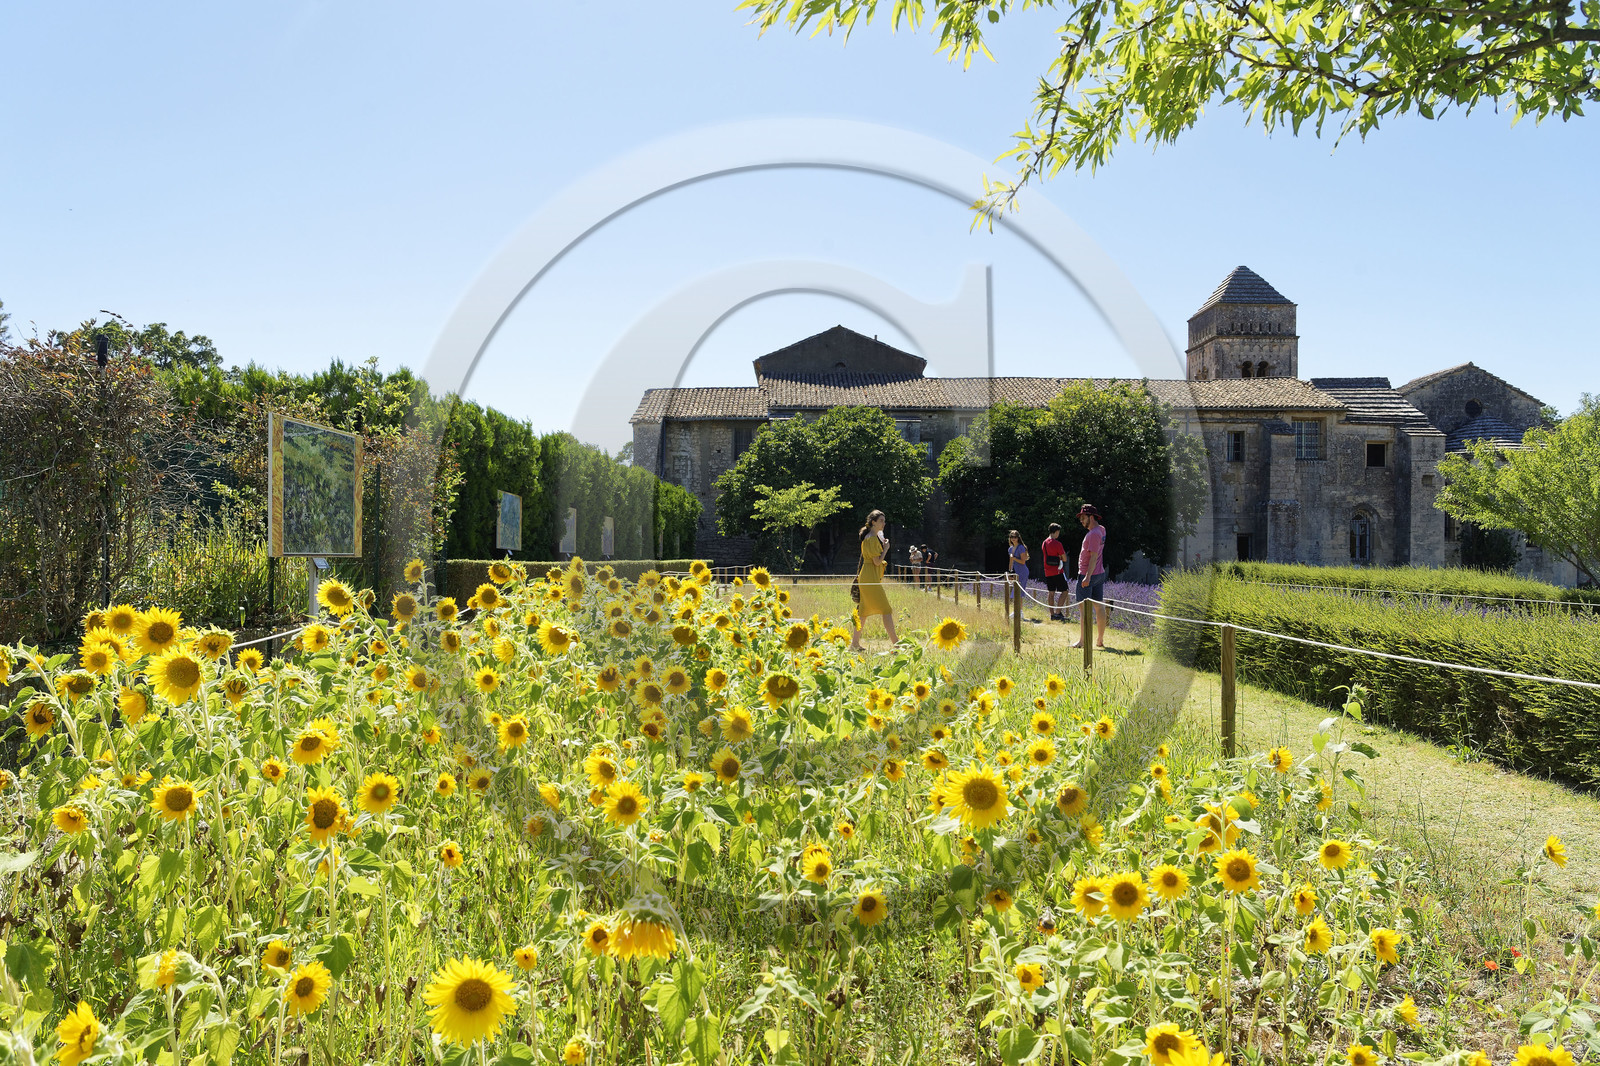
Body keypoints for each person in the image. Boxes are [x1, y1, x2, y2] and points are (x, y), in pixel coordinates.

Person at [850, 510, 898, 651]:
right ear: (873, 522)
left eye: (884, 520)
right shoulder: (871, 539)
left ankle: (854, 644)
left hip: (868, 576)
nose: (884, 523)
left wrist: (883, 545)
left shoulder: (872, 537)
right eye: (881, 520)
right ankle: (897, 644)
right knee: (886, 609)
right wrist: (886, 549)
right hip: (869, 577)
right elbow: (877, 562)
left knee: (863, 612)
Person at [1070, 504, 1108, 649]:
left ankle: (1083, 641)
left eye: (1083, 518)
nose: (1081, 521)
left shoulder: (1092, 534)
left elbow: (1093, 557)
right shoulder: (1102, 529)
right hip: (1099, 574)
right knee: (1099, 606)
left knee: (1083, 609)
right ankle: (1099, 640)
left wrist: (1086, 577)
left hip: (1089, 575)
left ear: (1091, 517)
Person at [1041, 522, 1071, 621]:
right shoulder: (1057, 544)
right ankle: (1058, 613)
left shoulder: (1044, 543)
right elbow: (1065, 559)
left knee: (1051, 592)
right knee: (1065, 591)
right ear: (1056, 532)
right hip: (1057, 571)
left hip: (1047, 571)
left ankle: (1052, 614)